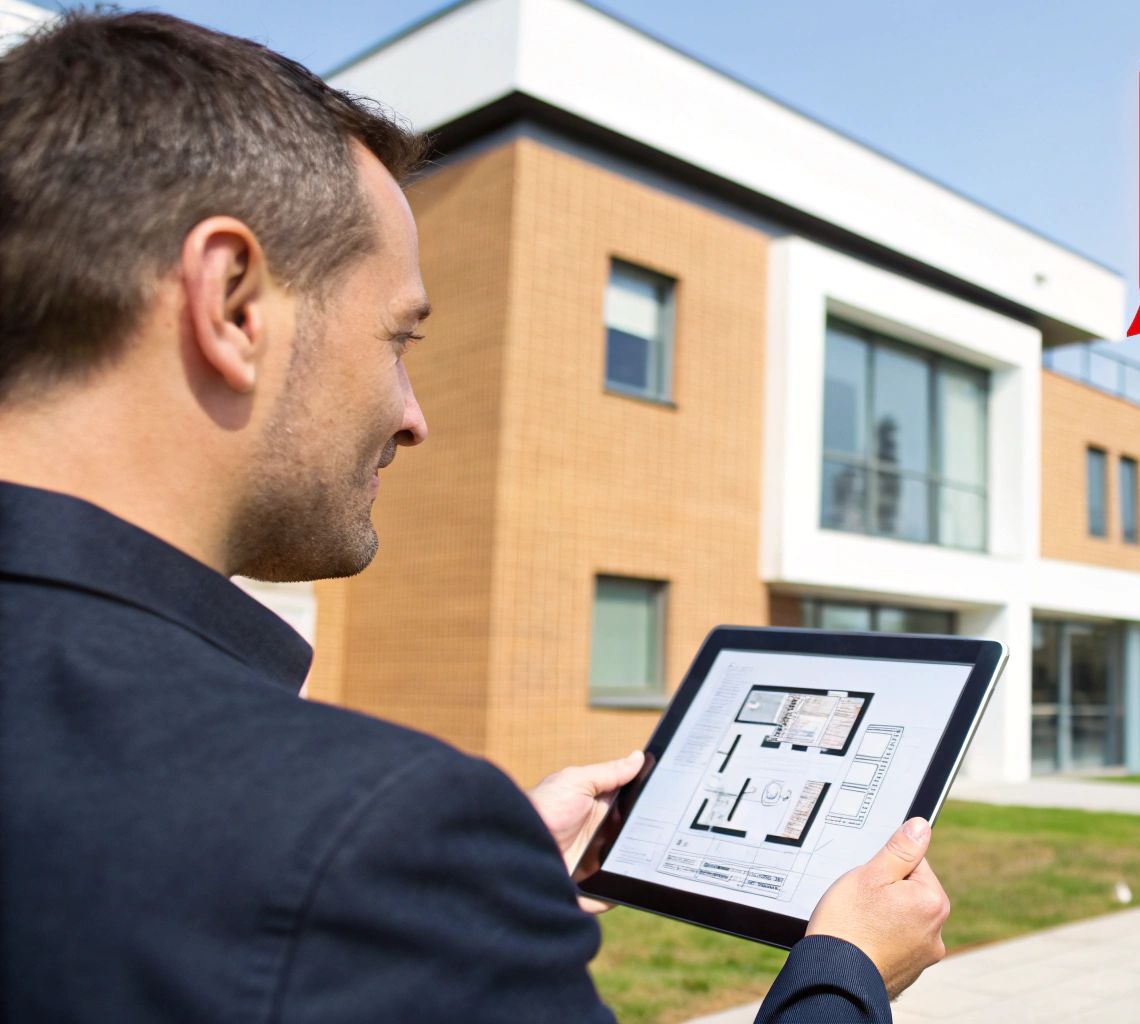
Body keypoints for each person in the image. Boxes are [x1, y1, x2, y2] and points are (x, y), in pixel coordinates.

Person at [0, 10, 948, 1022]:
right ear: (233, 303)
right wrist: (843, 969)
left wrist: (463, 901)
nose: (413, 418)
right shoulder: (368, 833)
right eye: (397, 338)